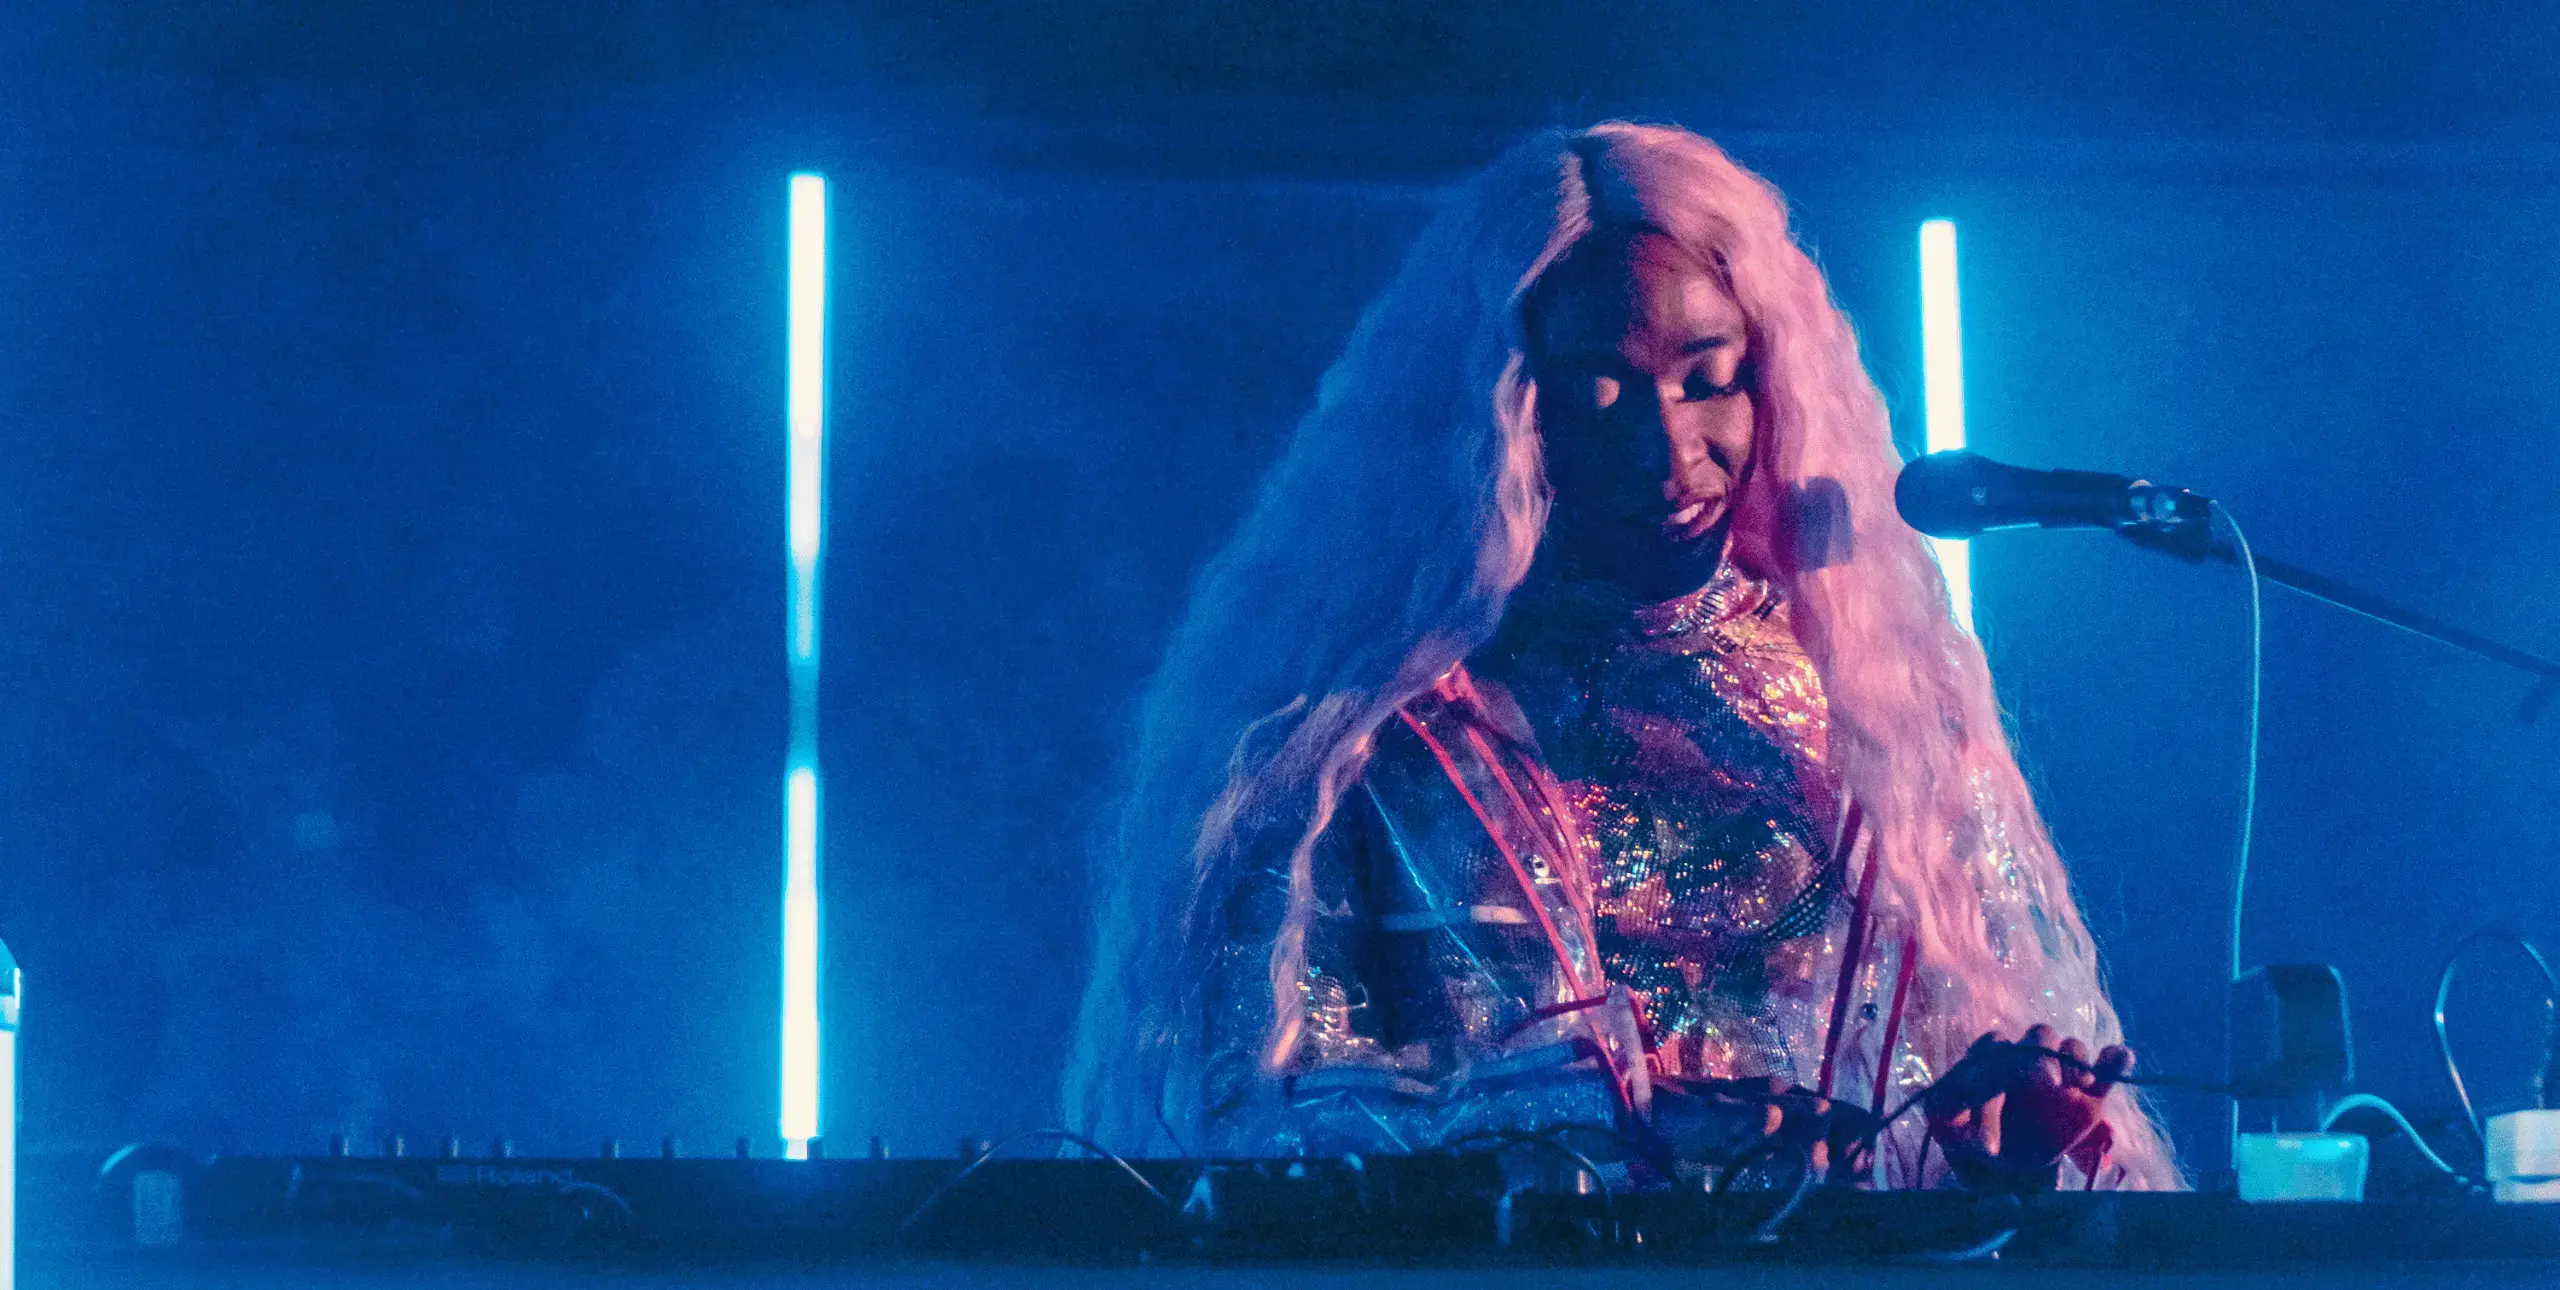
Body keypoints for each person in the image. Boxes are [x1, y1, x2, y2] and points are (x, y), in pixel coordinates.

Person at [1066, 122, 2178, 1190]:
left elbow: (1991, 1150)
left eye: (1708, 379)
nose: (1665, 450)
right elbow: (1242, 1126)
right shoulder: (1361, 729)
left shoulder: (1887, 712)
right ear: (1494, 419)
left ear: (1772, 382)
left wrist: (2011, 1156)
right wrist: (1607, 1128)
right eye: (1596, 401)